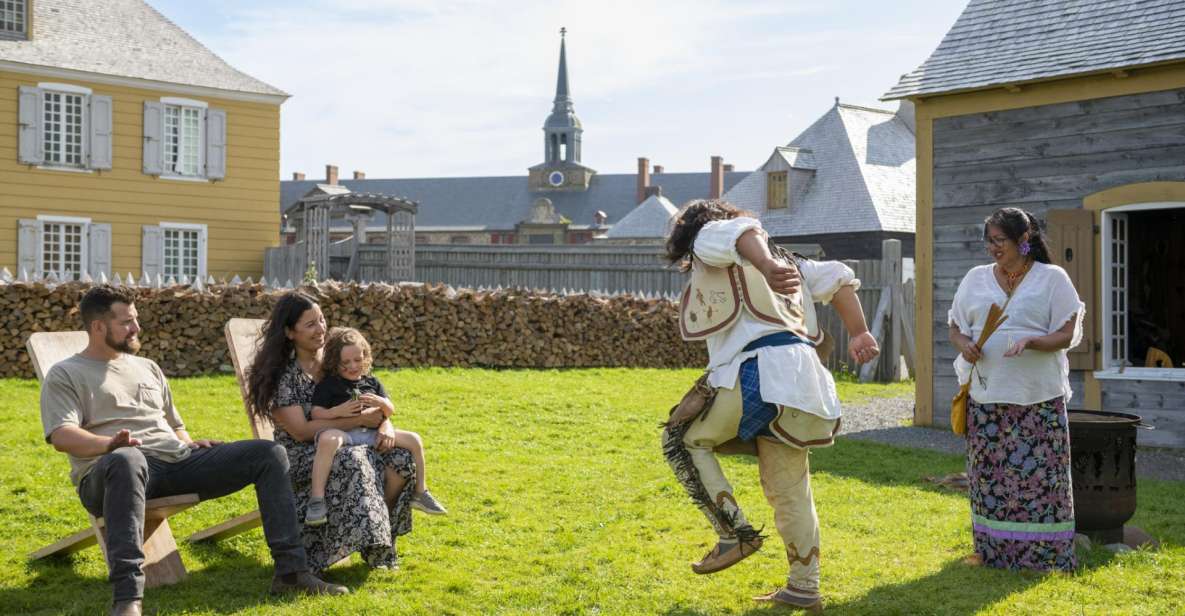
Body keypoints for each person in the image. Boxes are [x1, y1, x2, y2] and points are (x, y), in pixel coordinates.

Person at [39, 285, 346, 616]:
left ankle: (291, 573)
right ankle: (128, 599)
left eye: (136, 319)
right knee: (127, 459)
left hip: (174, 462)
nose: (136, 328)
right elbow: (62, 435)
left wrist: (187, 441)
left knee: (268, 454)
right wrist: (109, 445)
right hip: (109, 474)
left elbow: (175, 424)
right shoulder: (66, 373)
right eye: (127, 322)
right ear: (98, 326)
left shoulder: (147, 367)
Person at [660, 200, 879, 611]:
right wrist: (859, 333)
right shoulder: (790, 259)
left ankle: (734, 534)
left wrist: (761, 263)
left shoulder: (712, 234)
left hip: (759, 372)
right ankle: (804, 588)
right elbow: (838, 279)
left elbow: (743, 230)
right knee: (791, 490)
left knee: (682, 439)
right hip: (805, 382)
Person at [948, 207, 1083, 572]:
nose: (992, 248)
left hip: (1038, 398)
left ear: (1024, 241)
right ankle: (992, 553)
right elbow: (956, 327)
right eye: (988, 241)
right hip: (987, 398)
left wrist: (1033, 341)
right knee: (991, 480)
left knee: (1042, 480)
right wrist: (965, 345)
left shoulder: (1052, 278)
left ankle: (1045, 556)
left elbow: (1067, 333)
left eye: (999, 240)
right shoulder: (975, 279)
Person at [246, 291, 418, 572]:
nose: (321, 328)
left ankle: (378, 533)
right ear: (290, 332)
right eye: (311, 324)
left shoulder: (337, 362)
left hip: (350, 439)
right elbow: (301, 432)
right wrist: (359, 422)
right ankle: (377, 550)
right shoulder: (281, 376)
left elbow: (373, 396)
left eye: (322, 320)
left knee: (401, 457)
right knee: (356, 459)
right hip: (301, 456)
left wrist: (385, 423)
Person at [306, 327, 447, 526]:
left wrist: (382, 404)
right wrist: (338, 411)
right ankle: (317, 500)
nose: (353, 366)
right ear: (334, 362)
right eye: (345, 362)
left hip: (372, 433)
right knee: (327, 438)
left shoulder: (372, 382)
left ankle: (421, 492)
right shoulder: (329, 384)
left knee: (415, 439)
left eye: (357, 359)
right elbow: (316, 413)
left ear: (365, 356)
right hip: (344, 432)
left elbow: (390, 409)